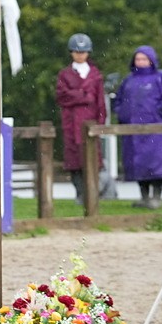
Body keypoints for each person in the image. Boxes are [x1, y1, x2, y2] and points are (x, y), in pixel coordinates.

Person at [114, 45, 162, 209]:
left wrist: (155, 114)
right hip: (132, 132)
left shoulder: (160, 78)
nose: (140, 62)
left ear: (151, 60)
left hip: (155, 131)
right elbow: (119, 101)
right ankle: (144, 197)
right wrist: (123, 115)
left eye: (144, 59)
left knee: (156, 164)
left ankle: (156, 197)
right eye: (138, 59)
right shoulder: (128, 80)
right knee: (137, 165)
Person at [55, 33, 106, 204]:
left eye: (83, 51)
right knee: (74, 162)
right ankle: (79, 194)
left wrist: (101, 123)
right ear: (71, 52)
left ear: (88, 53)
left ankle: (91, 194)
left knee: (92, 160)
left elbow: (99, 101)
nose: (80, 54)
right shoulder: (65, 74)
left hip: (90, 122)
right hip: (71, 122)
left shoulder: (95, 74)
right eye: (76, 51)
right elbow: (62, 97)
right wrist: (83, 96)